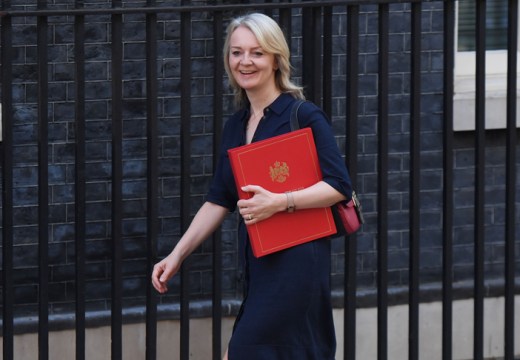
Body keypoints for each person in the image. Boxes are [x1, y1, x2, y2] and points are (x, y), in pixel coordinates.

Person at [151, 12, 352, 360]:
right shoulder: (237, 124)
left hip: (297, 265)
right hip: (258, 268)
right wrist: (176, 255)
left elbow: (339, 186)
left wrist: (280, 201)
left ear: (276, 59)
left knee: (242, 351)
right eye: (236, 52)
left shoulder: (302, 116)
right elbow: (219, 199)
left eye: (257, 53)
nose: (245, 62)